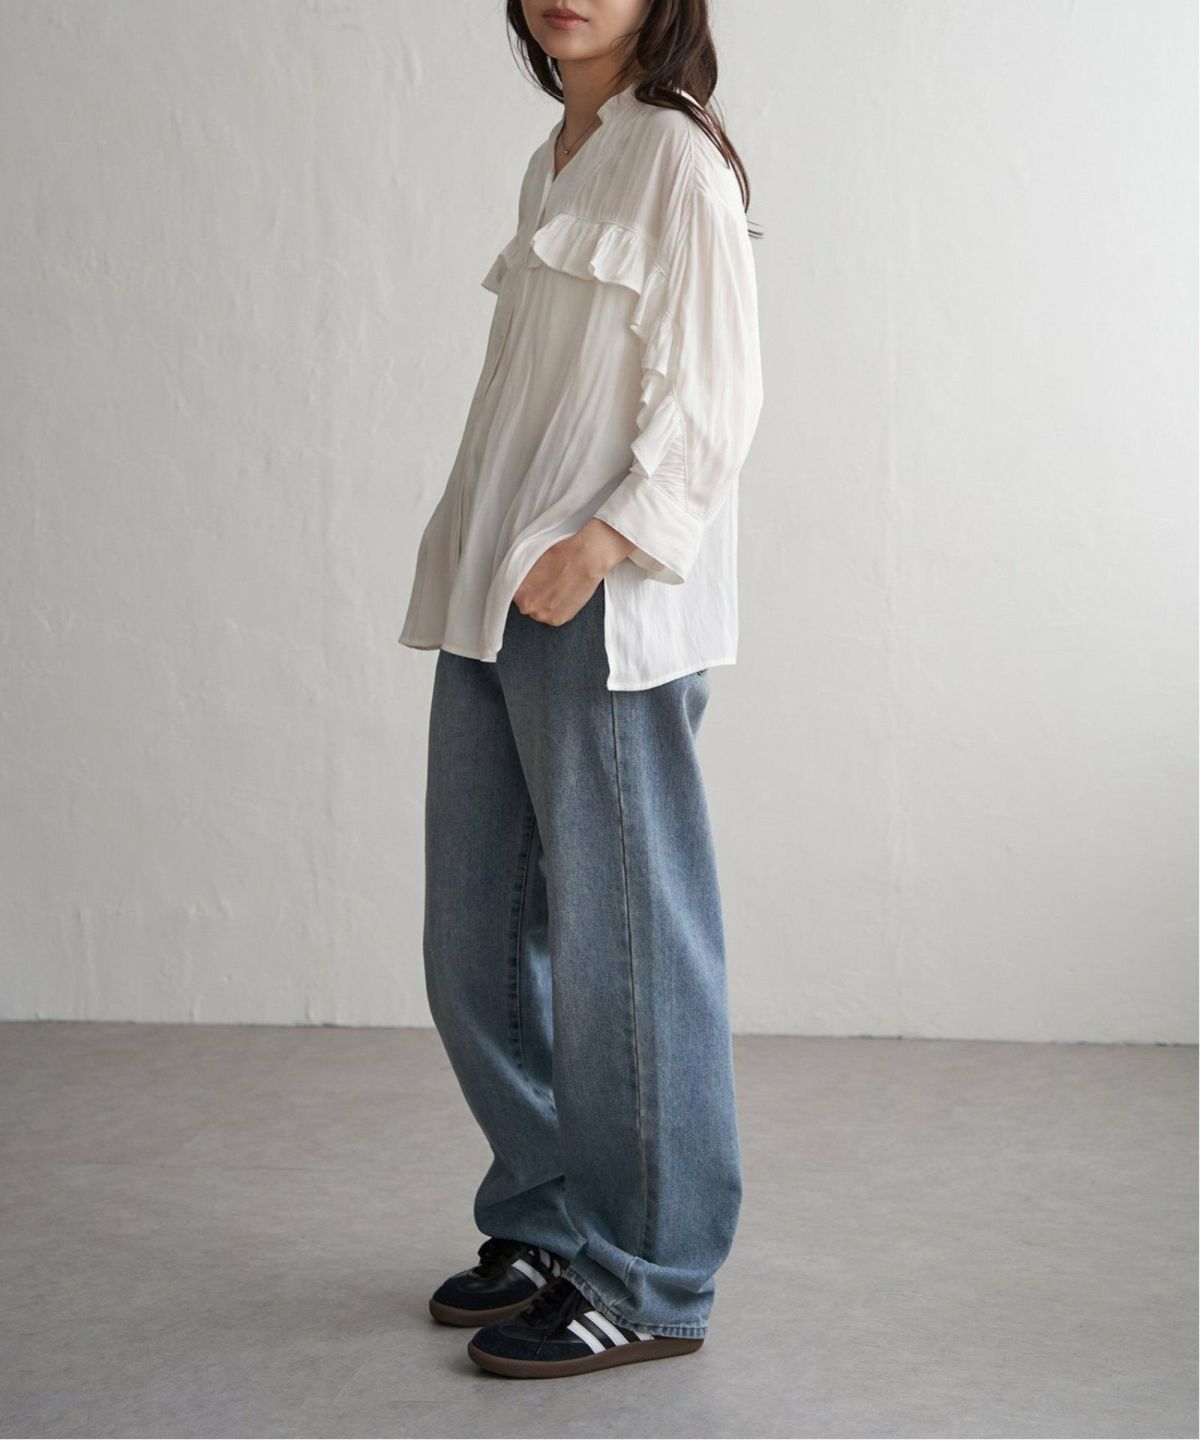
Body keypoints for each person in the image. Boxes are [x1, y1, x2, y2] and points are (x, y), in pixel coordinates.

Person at [398, 0, 764, 1379]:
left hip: (603, 607)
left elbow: (718, 397)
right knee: (474, 946)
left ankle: (652, 1277)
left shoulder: (678, 157)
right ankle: (551, 1218)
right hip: (496, 591)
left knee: (629, 957)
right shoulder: (557, 156)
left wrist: (605, 543)